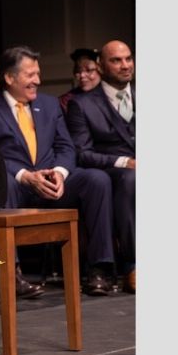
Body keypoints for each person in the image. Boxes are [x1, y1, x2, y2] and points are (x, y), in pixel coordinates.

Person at [0, 45, 116, 297]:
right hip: (16, 187)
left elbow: (66, 146)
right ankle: (11, 274)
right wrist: (25, 176)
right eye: (30, 75)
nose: (38, 80)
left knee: (96, 179)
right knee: (4, 181)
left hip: (49, 182)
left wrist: (59, 173)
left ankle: (99, 270)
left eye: (38, 73)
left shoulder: (48, 104)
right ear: (9, 78)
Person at [66, 39, 136, 293]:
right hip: (111, 172)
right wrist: (124, 161)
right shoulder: (83, 104)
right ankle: (133, 265)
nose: (125, 65)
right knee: (130, 179)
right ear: (101, 66)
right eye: (116, 60)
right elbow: (82, 153)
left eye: (128, 58)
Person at [58, 48, 101, 113]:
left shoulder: (110, 95)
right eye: (78, 71)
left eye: (88, 70)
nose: (82, 75)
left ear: (100, 71)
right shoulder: (66, 101)